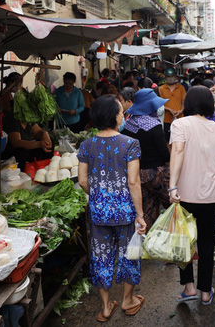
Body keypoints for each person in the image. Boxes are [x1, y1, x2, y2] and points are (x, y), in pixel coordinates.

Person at [77, 95, 146, 322]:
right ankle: (127, 300)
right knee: (130, 255)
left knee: (101, 257)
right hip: (126, 213)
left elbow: (83, 181)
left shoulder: (86, 145)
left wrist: (99, 196)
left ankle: (106, 307)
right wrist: (140, 214)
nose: (122, 115)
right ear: (114, 116)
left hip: (98, 213)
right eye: (120, 111)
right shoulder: (130, 143)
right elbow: (133, 182)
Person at [168, 86, 215, 305]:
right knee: (207, 245)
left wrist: (172, 186)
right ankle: (206, 292)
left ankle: (189, 288)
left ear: (188, 103)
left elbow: (176, 151)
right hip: (211, 196)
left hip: (184, 195)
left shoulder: (179, 124)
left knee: (183, 243)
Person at [121, 89, 171, 231]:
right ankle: (173, 237)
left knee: (147, 210)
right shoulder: (154, 126)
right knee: (173, 205)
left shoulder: (127, 126)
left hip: (137, 175)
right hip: (157, 174)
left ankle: (146, 240)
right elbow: (164, 154)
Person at [159, 67, 186, 141]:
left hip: (179, 118)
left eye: (172, 76)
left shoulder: (181, 88)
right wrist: (169, 109)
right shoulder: (161, 89)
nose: (170, 78)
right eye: (168, 77)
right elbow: (159, 104)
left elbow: (184, 101)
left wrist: (181, 110)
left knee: (179, 139)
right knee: (166, 139)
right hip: (166, 119)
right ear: (165, 77)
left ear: (175, 77)